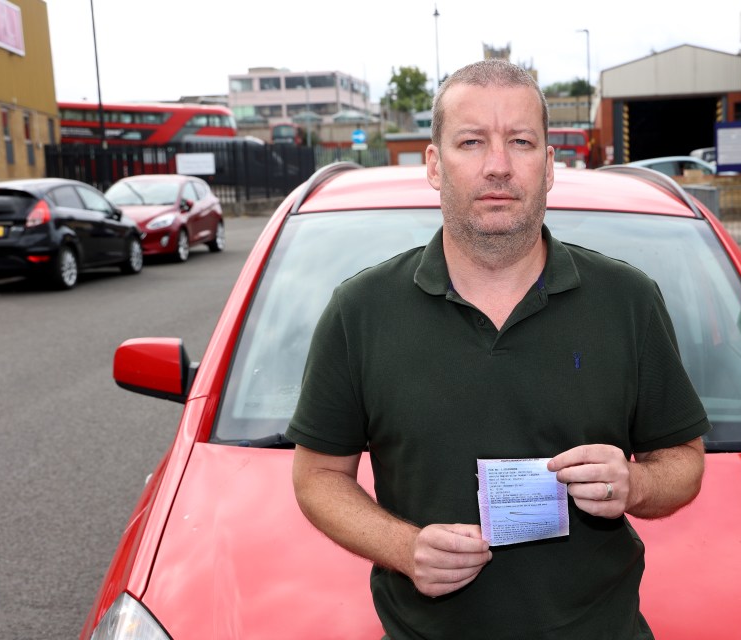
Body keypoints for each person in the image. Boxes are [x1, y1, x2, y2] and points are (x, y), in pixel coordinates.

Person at [286, 59, 711, 639]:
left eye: (520, 141)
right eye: (471, 141)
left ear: (550, 165)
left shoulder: (628, 300)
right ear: (434, 164)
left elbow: (684, 461)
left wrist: (636, 485)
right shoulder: (359, 311)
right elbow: (317, 477)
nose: (499, 165)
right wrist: (405, 548)